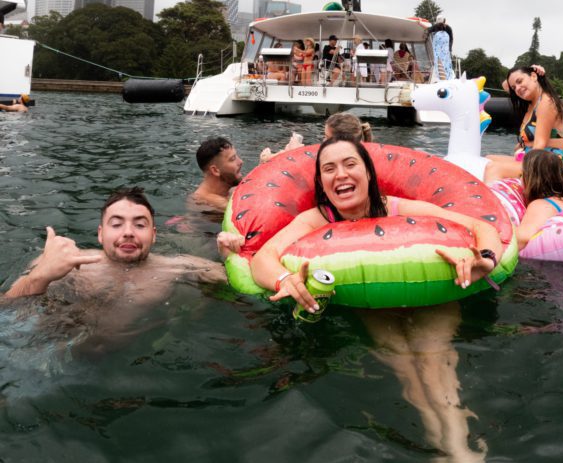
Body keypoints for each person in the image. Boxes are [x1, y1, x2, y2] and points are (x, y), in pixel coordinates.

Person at [219, 135, 503, 312]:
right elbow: (263, 258)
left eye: (350, 164)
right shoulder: (317, 218)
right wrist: (285, 279)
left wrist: (487, 259)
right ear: (321, 182)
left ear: (368, 173)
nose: (340, 175)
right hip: (360, 305)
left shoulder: (395, 207)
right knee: (405, 364)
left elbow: (483, 227)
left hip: (426, 302)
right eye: (329, 169)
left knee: (435, 360)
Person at [2, 187, 226, 301]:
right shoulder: (66, 265)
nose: (128, 233)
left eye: (139, 225)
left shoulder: (178, 268)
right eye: (116, 224)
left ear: (154, 235)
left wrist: (229, 253)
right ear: (100, 234)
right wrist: (40, 276)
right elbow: (7, 309)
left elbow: (239, 281)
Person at [484, 65, 563, 182]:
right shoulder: (531, 103)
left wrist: (532, 71)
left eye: (520, 81)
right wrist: (529, 69)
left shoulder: (545, 102)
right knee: (488, 159)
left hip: (550, 163)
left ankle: (494, 200)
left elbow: (540, 146)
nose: (517, 88)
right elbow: (506, 84)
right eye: (514, 87)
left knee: (493, 168)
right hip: (534, 158)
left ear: (534, 77)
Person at [515, 149, 563, 250]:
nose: (520, 179)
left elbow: (523, 240)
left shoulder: (541, 205)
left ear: (532, 179)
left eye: (522, 175)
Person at [191, 137, 244, 213]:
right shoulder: (208, 201)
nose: (241, 161)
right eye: (232, 159)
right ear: (215, 170)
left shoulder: (227, 184)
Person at [429, 15, 454, 80]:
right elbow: (428, 30)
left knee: (444, 63)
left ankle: (445, 77)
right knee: (440, 62)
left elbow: (451, 39)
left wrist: (449, 49)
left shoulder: (448, 28)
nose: (439, 25)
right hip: (439, 50)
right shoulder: (435, 27)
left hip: (445, 50)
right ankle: (441, 76)